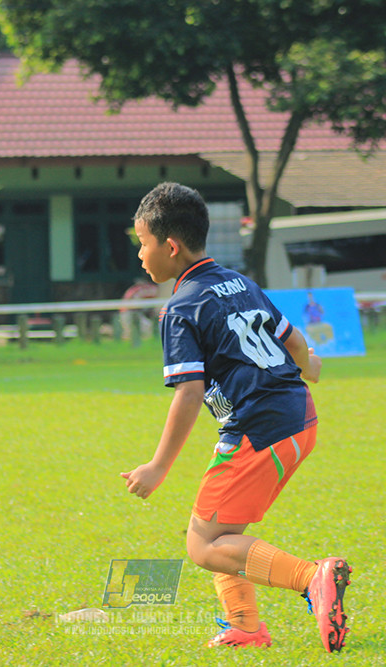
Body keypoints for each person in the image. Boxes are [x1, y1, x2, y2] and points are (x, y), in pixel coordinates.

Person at [120, 182, 352, 652]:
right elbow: (292, 340)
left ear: (170, 246)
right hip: (297, 415)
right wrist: (311, 367)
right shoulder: (240, 283)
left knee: (203, 545)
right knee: (217, 529)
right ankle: (244, 627)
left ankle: (312, 578)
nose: (140, 255)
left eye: (143, 243)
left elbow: (189, 393)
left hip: (259, 426)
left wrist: (158, 466)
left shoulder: (181, 308)